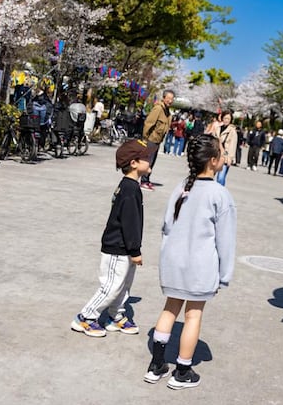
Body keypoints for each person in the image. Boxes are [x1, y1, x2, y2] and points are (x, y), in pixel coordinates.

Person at [144, 134, 237, 389]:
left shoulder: (182, 186)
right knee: (193, 315)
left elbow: (166, 225)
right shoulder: (220, 194)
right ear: (214, 160)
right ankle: (182, 370)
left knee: (170, 308)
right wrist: (224, 274)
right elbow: (225, 240)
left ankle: (157, 364)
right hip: (200, 265)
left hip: (173, 261)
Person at [70, 139, 155, 337]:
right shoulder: (129, 189)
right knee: (111, 286)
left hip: (125, 246)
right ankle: (85, 318)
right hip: (117, 247)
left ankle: (115, 316)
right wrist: (135, 251)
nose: (149, 159)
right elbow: (129, 223)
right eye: (146, 157)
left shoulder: (131, 186)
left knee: (123, 286)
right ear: (134, 163)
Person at [141, 90, 174, 190]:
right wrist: (145, 138)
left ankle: (146, 179)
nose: (170, 101)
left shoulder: (167, 111)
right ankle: (143, 181)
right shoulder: (158, 109)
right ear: (164, 98)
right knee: (148, 161)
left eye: (172, 99)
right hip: (151, 138)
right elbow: (149, 123)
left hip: (157, 140)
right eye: (168, 98)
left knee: (152, 161)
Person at [207, 111, 238, 186]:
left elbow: (233, 145)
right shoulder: (218, 128)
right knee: (210, 175)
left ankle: (220, 192)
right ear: (222, 118)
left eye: (228, 119)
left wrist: (230, 158)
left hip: (225, 156)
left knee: (221, 177)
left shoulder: (232, 131)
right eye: (225, 118)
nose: (226, 120)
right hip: (216, 154)